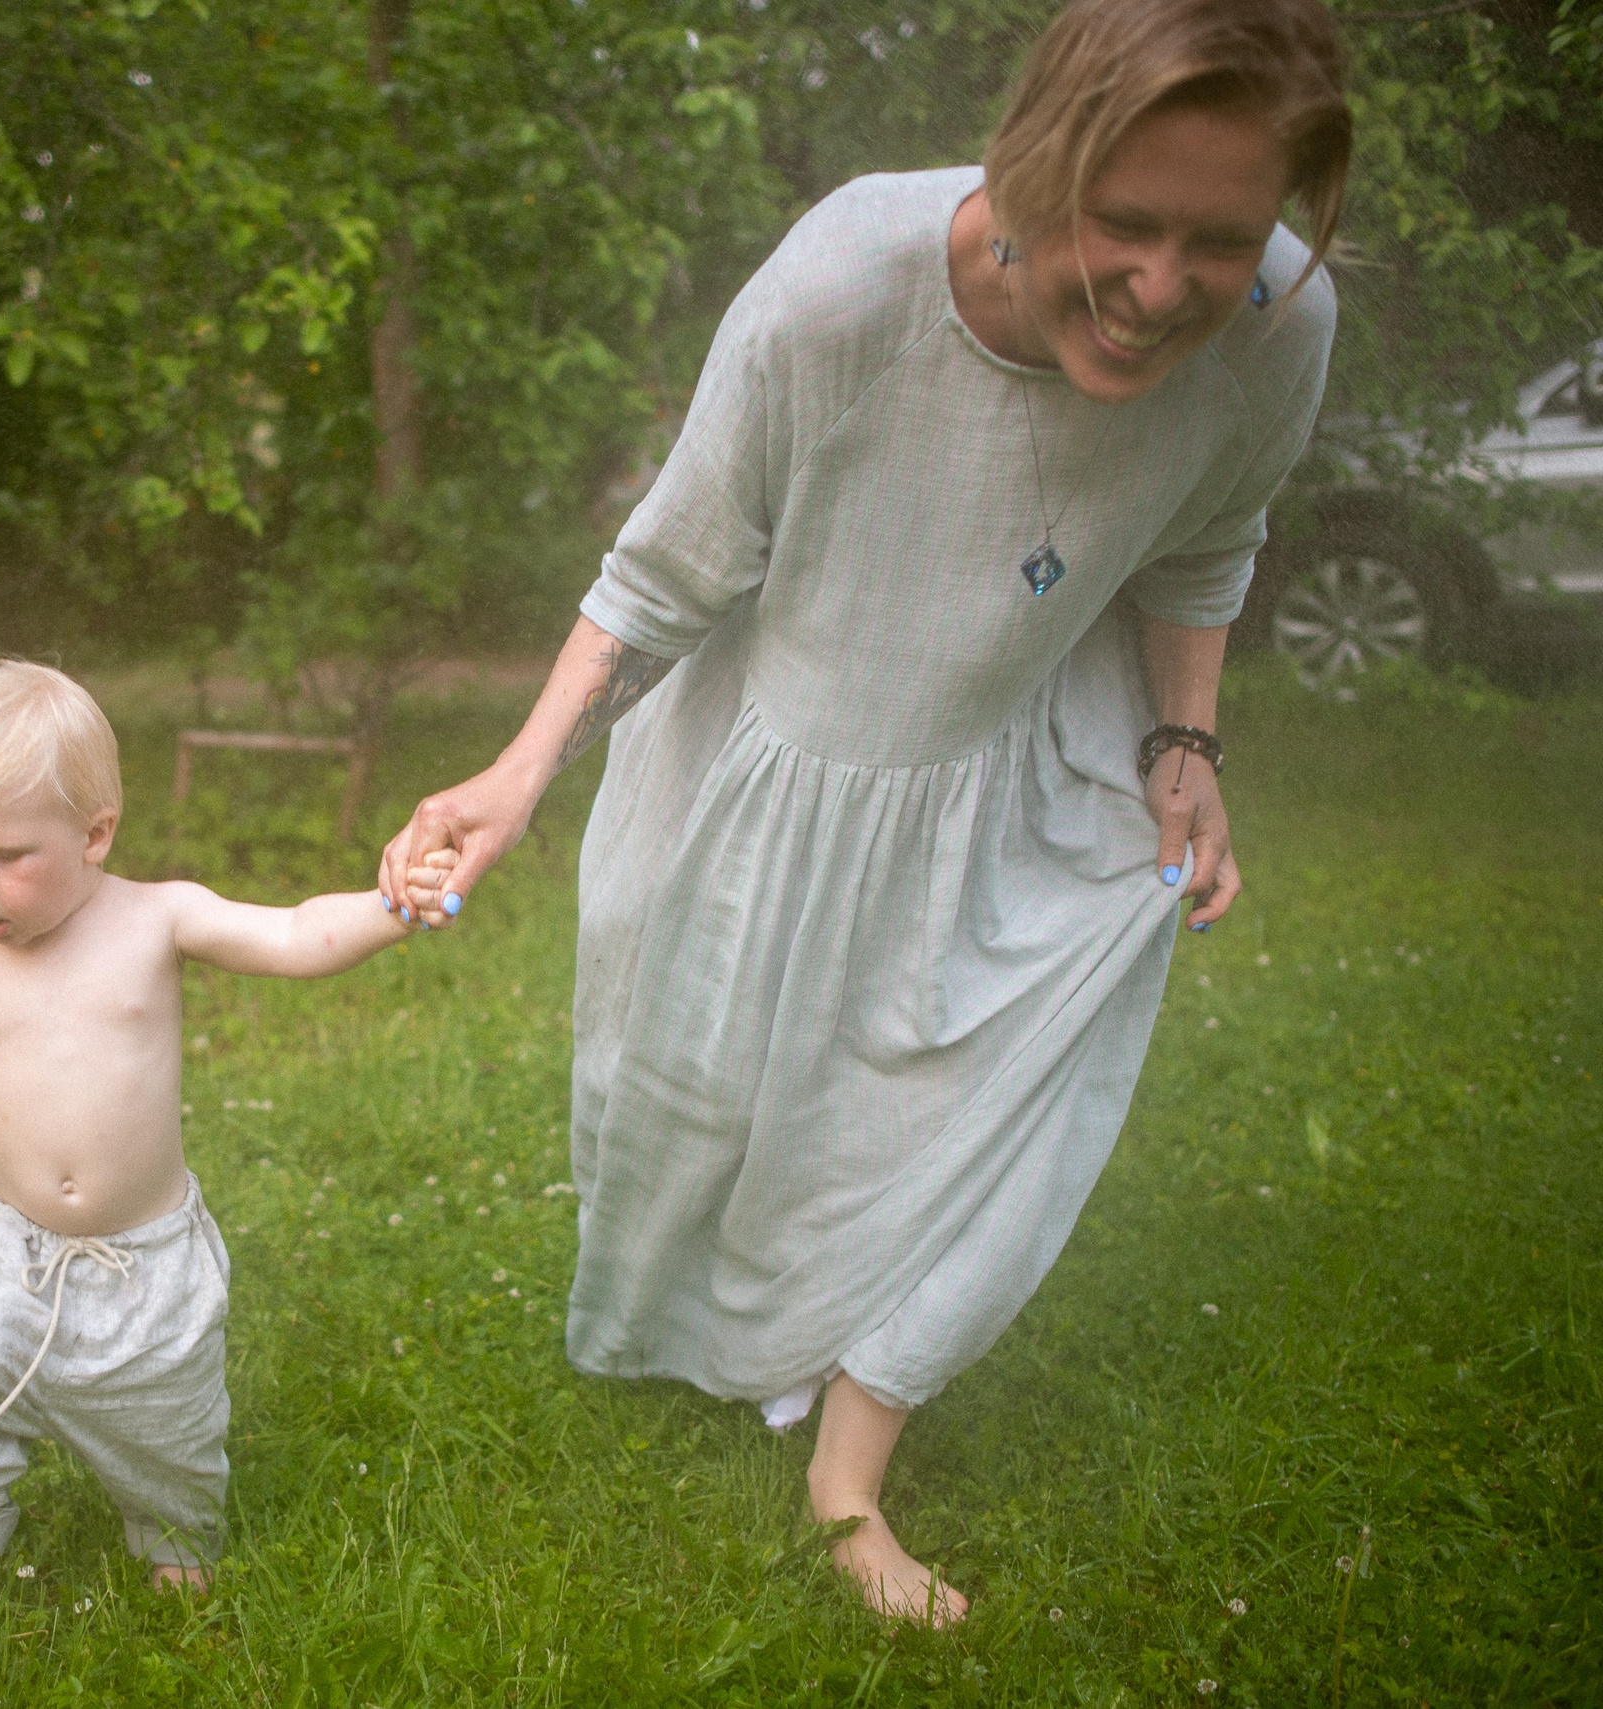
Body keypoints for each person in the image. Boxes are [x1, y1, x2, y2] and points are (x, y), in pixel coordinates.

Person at [380, 0, 1348, 1626]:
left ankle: (849, 1474)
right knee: (703, 1098)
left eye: (1223, 239)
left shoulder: (1280, 326)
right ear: (1041, 157)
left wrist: (1189, 735)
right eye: (1125, 222)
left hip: (1029, 767)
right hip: (772, 764)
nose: (1172, 285)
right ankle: (708, 1329)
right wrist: (518, 769)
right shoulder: (847, 286)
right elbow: (668, 568)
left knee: (986, 1112)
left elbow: (1203, 538)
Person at [0, 660, 413, 1612]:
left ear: (96, 832)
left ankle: (173, 1522)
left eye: (6, 855)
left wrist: (396, 908)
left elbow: (297, 934)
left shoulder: (157, 919)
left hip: (142, 1254)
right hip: (3, 1240)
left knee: (162, 1415)